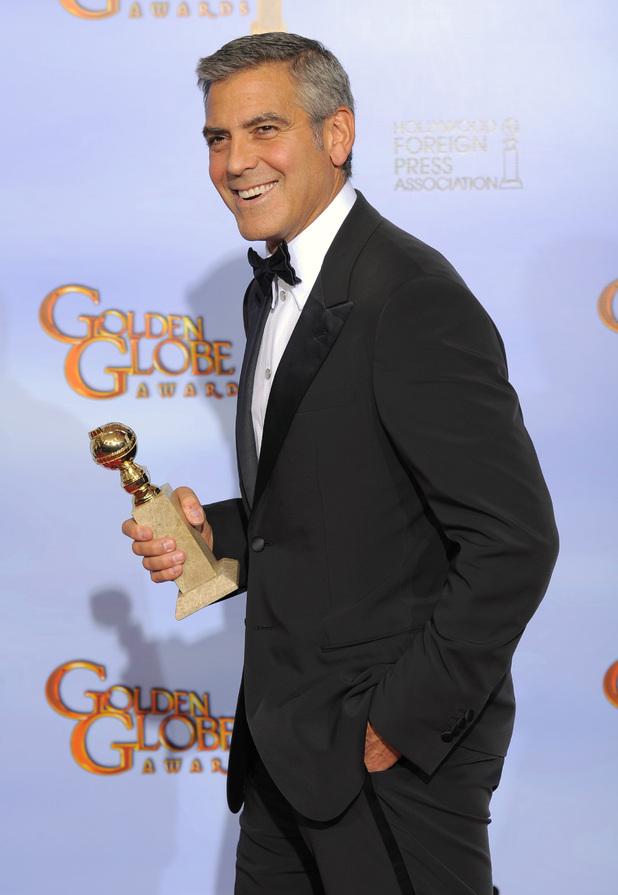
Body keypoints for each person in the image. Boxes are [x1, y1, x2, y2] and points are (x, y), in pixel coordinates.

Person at [123, 32, 558, 895]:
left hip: (389, 768)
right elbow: (341, 501)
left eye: (264, 130)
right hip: (281, 752)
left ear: (336, 134)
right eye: (218, 138)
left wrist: (395, 726)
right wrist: (219, 536)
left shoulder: (411, 295)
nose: (235, 162)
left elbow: (514, 540)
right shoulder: (270, 291)